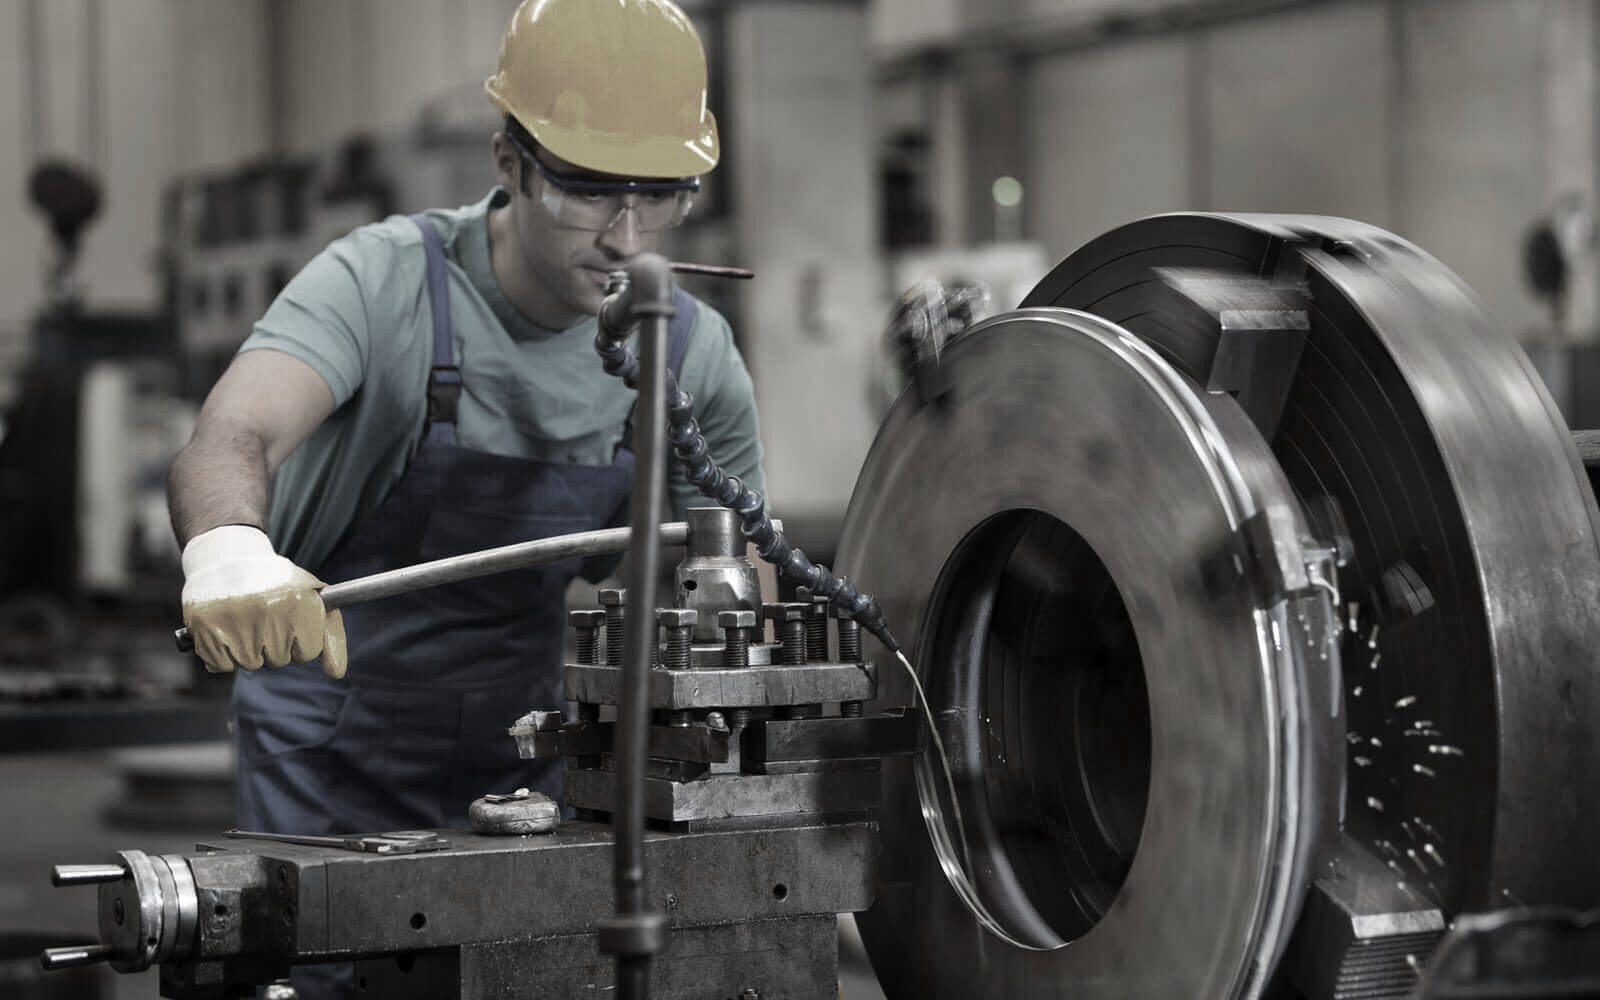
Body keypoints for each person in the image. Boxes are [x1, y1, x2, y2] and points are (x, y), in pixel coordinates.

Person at [168, 2, 764, 991]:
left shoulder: (690, 352)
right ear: (507, 162)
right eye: (585, 189)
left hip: (523, 763)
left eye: (659, 196)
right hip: (327, 760)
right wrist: (228, 549)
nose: (625, 238)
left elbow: (736, 587)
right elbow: (232, 434)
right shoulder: (382, 283)